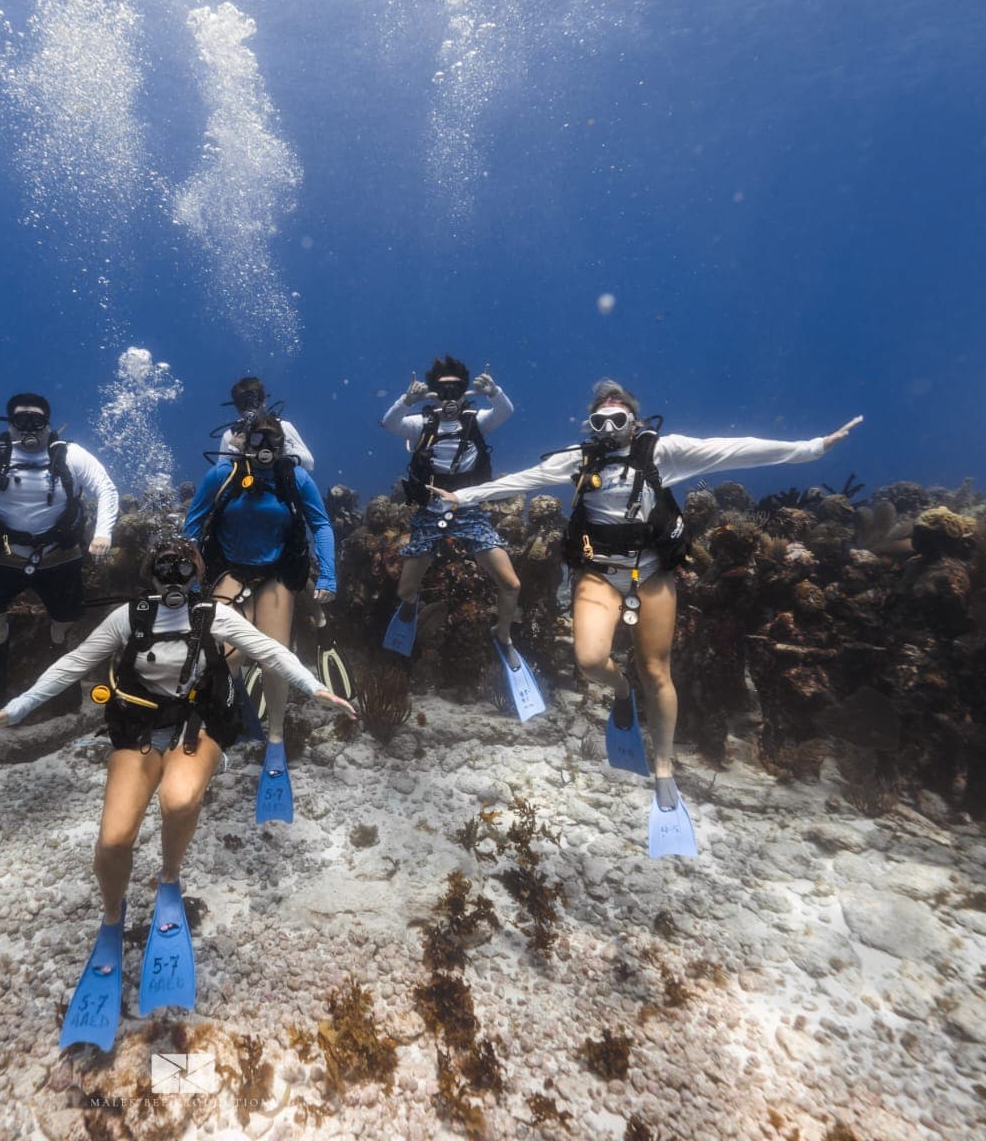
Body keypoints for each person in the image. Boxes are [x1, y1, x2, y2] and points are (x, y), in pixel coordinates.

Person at [440, 378, 862, 857]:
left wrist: (810, 448)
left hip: (654, 574)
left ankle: (663, 769)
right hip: (598, 574)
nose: (608, 428)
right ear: (590, 424)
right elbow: (522, 480)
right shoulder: (580, 459)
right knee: (589, 658)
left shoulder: (665, 452)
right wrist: (464, 497)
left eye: (617, 419)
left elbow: (733, 450)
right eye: (599, 420)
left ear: (634, 422)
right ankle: (622, 695)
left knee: (657, 670)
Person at [0, 537, 355, 1050]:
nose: (174, 579)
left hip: (198, 726)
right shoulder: (128, 618)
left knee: (178, 801)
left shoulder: (213, 616)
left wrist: (315, 688)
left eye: (184, 570)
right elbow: (74, 665)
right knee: (113, 840)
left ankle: (168, 880)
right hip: (139, 729)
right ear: (150, 575)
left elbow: (269, 650)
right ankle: (112, 919)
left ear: (197, 575)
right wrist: (15, 709)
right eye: (164, 569)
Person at [184, 413, 336, 824]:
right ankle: (222, 720)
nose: (265, 445)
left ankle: (275, 739)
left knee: (274, 658)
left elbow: (320, 524)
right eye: (257, 438)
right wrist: (182, 574)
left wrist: (329, 575)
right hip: (231, 570)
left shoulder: (295, 479)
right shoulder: (223, 475)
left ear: (284, 443)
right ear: (242, 442)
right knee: (222, 658)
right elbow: (193, 525)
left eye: (273, 438)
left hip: (276, 575)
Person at [0, 392, 119, 707]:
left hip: (59, 554)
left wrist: (103, 533)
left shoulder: (71, 455)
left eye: (37, 421)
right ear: (9, 424)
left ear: (48, 424)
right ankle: (0, 635)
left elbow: (105, 487)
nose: (29, 429)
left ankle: (57, 640)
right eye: (21, 421)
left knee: (67, 615)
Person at [379, 359, 533, 710]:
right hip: (430, 514)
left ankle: (503, 635)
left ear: (465, 394)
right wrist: (407, 399)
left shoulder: (476, 421)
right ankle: (409, 606)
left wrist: (494, 391)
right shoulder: (421, 423)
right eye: (442, 390)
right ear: (434, 394)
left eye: (456, 390)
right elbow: (389, 423)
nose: (449, 398)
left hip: (470, 512)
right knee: (406, 590)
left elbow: (504, 411)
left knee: (511, 585)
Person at [216, 375, 315, 472]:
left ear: (263, 401)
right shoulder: (230, 436)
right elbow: (219, 476)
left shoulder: (284, 428)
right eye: (243, 403)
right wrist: (234, 451)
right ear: (237, 407)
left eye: (254, 401)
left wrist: (282, 446)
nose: (250, 408)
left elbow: (309, 463)